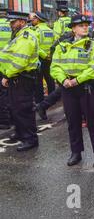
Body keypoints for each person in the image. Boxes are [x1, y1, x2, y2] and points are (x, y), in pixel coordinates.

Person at [50, 14, 94, 168]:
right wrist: (63, 80)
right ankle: (76, 152)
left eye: (87, 25)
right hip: (68, 87)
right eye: (81, 25)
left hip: (87, 87)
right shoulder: (62, 46)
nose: (85, 27)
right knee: (73, 122)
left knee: (93, 122)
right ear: (73, 29)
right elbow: (55, 66)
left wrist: (76, 80)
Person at [0, 11, 40, 151]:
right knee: (14, 107)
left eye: (13, 22)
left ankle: (30, 139)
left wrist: (7, 75)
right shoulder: (18, 35)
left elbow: (20, 61)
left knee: (23, 109)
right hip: (16, 77)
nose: (11, 24)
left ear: (22, 22)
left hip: (22, 78)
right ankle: (20, 132)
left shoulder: (26, 37)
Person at [30, 12, 56, 104]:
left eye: (34, 19)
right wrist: (49, 56)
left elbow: (35, 46)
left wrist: (44, 55)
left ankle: (39, 101)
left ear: (38, 19)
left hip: (40, 59)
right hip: (49, 59)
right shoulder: (50, 31)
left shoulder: (36, 31)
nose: (32, 20)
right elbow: (54, 45)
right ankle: (52, 99)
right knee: (50, 79)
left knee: (39, 81)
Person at [0, 8, 12, 129]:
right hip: (11, 63)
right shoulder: (11, 26)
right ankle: (12, 118)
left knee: (2, 92)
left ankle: (4, 120)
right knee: (9, 91)